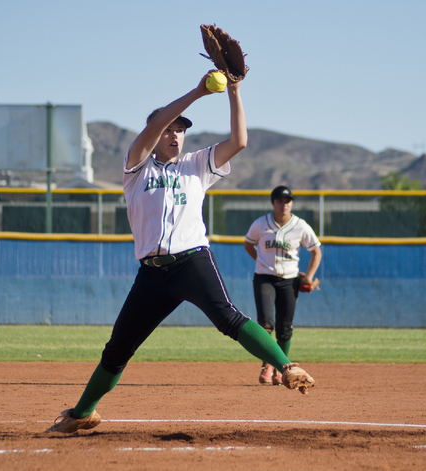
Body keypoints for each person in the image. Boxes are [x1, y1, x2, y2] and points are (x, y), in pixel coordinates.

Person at [46, 72, 314, 434]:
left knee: (228, 317)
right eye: (169, 129)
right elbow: (155, 124)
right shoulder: (136, 168)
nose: (175, 134)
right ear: (155, 135)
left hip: (192, 260)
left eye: (180, 129)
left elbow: (240, 140)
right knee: (118, 348)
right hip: (152, 274)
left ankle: (286, 367)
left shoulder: (196, 165)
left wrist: (233, 91)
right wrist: (199, 91)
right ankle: (82, 413)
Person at [244, 186, 322, 385]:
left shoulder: (300, 226)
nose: (284, 204)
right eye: (280, 200)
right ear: (273, 203)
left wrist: (309, 276)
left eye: (288, 201)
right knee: (266, 323)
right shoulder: (261, 224)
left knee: (285, 328)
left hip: (289, 280)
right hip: (264, 278)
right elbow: (248, 244)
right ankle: (268, 366)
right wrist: (260, 260)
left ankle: (281, 370)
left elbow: (316, 252)